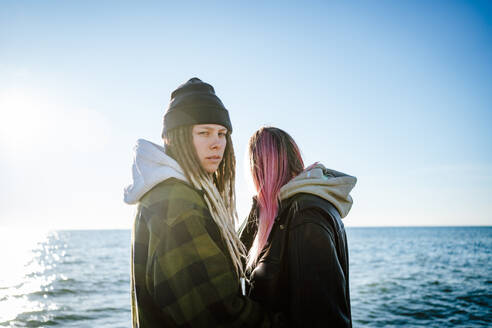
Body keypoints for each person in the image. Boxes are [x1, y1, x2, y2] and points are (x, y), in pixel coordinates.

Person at [124, 78, 279, 327]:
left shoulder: (175, 192)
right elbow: (216, 312)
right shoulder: (175, 200)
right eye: (204, 133)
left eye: (222, 133)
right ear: (177, 137)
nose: (217, 143)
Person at [240, 126, 356, 327]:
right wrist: (258, 204)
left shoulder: (304, 215)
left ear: (260, 168)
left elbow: (322, 318)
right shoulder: (285, 211)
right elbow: (236, 259)